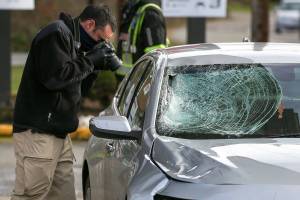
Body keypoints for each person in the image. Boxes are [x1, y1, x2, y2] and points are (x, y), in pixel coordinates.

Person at [11, 4, 121, 200]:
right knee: (31, 195)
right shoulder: (56, 34)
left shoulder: (78, 44)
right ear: (89, 24)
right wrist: (91, 61)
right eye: (100, 40)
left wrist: (94, 68)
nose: (100, 46)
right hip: (38, 132)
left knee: (64, 196)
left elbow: (76, 90)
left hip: (60, 133)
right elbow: (54, 78)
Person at [115, 0, 167, 82]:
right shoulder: (133, 8)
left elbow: (156, 55)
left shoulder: (150, 13)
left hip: (140, 82)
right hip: (126, 81)